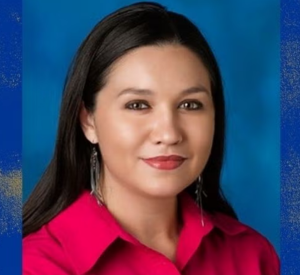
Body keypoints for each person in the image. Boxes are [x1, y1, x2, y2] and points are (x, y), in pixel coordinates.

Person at [22, 2, 280, 274]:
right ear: (88, 121)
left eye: (190, 105)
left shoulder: (252, 255)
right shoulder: (35, 264)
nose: (168, 134)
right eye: (138, 105)